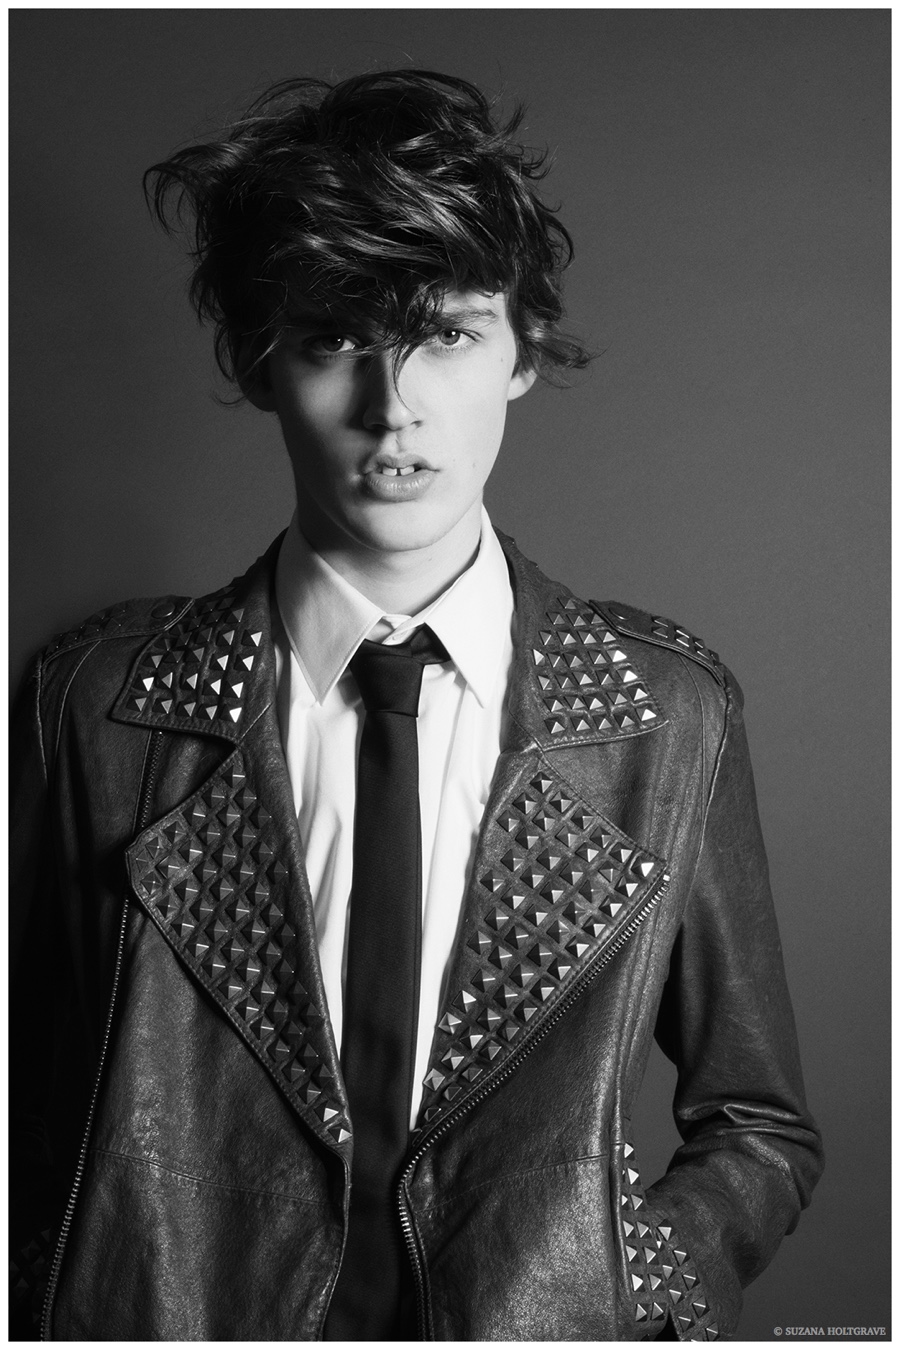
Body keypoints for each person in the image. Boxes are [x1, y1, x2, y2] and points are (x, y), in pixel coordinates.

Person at [10, 70, 822, 1341]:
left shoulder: (665, 715)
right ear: (260, 362)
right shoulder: (97, 704)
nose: (394, 407)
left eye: (446, 334)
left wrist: (622, 1298)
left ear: (521, 354)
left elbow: (758, 1122)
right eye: (335, 339)